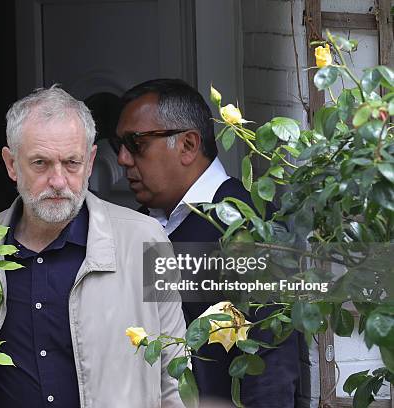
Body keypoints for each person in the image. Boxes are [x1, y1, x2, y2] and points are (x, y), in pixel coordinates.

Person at [0, 85, 187, 408]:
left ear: (89, 162)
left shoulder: (147, 243)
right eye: (41, 164)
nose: (58, 181)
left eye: (71, 163)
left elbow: (175, 379)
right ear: (11, 164)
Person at [113, 79, 301, 407]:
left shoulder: (248, 226)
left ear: (187, 145)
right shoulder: (136, 225)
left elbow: (272, 365)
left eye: (136, 143)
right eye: (120, 146)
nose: (123, 159)